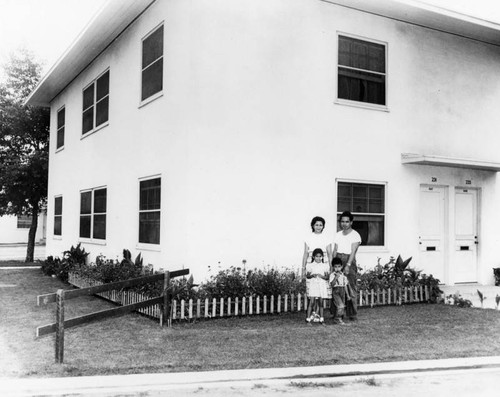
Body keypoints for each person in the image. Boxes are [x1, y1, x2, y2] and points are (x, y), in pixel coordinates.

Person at [332, 211, 361, 320]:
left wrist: (348, 265)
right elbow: (335, 250)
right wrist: (332, 264)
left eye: (347, 222)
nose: (344, 224)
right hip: (338, 259)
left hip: (349, 259)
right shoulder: (338, 234)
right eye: (342, 222)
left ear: (351, 222)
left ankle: (352, 314)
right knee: (337, 287)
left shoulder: (355, 235)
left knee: (350, 287)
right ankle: (338, 313)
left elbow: (353, 251)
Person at [305, 248, 330, 325]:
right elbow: (308, 276)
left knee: (321, 302)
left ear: (322, 257)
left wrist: (321, 276)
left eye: (320, 256)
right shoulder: (310, 265)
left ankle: (321, 319)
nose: (318, 258)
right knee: (311, 302)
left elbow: (327, 277)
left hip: (321, 285)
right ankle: (308, 319)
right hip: (313, 285)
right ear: (313, 257)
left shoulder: (325, 265)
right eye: (316, 256)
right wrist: (312, 275)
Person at [329, 257, 352, 325]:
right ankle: (337, 319)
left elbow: (345, 285)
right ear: (333, 267)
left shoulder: (343, 275)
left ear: (342, 267)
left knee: (342, 306)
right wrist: (336, 277)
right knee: (340, 306)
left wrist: (347, 295)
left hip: (342, 291)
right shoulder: (332, 275)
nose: (337, 268)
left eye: (339, 266)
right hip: (336, 291)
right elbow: (332, 285)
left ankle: (339, 318)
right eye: (335, 267)